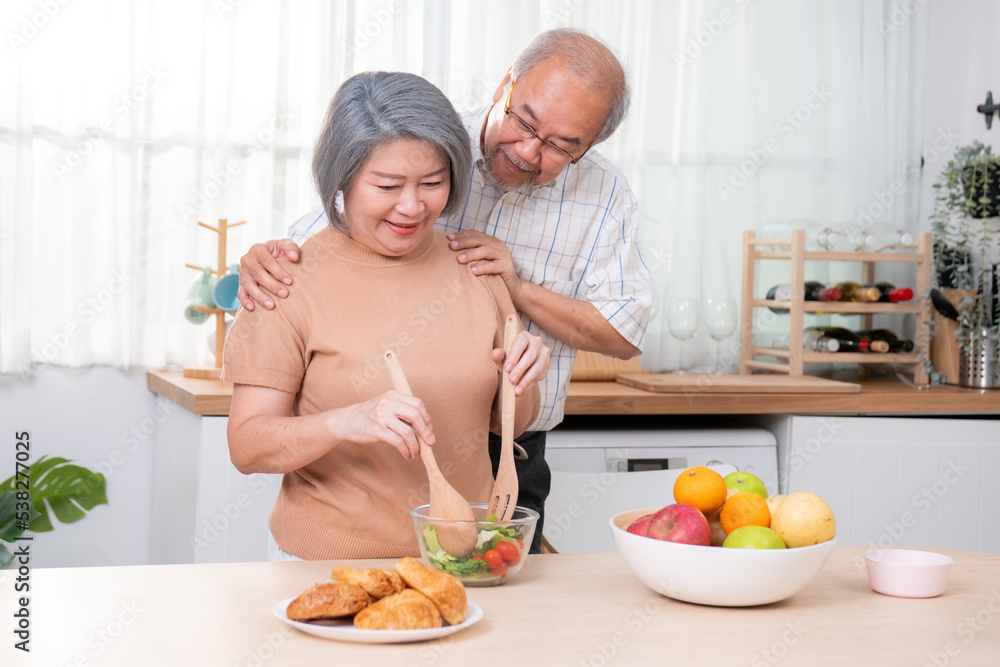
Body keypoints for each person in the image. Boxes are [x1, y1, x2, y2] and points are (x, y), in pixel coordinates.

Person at [236, 29, 653, 554]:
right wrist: (259, 264)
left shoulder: (600, 198)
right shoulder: (420, 135)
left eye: (561, 146)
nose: (528, 150)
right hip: (338, 538)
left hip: (508, 459)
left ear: (588, 145)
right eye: (524, 122)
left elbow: (621, 332)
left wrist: (516, 295)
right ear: (507, 84)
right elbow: (327, 238)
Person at [222, 71, 549, 561]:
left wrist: (519, 377)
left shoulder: (476, 268)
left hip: (465, 557)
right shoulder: (284, 280)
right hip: (330, 566)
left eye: (433, 183)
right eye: (388, 185)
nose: (412, 206)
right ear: (342, 178)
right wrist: (344, 422)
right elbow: (248, 446)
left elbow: (512, 426)